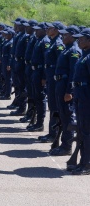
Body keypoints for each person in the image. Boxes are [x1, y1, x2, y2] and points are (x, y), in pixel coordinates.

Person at [49, 25, 81, 156]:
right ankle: (63, 144)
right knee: (62, 114)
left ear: (73, 36)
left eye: (66, 35)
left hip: (66, 86)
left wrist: (69, 91)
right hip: (60, 84)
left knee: (67, 116)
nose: (63, 37)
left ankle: (67, 146)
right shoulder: (67, 49)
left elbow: (74, 73)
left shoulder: (74, 51)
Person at [71, 28, 90, 175]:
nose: (79, 41)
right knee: (83, 131)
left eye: (82, 39)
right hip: (80, 95)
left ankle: (87, 164)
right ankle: (82, 161)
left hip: (86, 97)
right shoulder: (84, 55)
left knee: (87, 132)